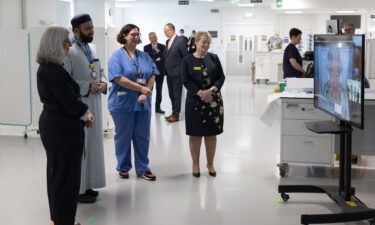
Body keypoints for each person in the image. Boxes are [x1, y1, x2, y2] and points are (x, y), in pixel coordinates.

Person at [37, 26, 94, 225]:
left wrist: (82, 112)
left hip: (58, 126)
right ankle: (63, 221)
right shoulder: (52, 71)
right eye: (66, 42)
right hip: (61, 129)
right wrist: (85, 114)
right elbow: (69, 101)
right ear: (54, 44)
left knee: (59, 175)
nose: (70, 45)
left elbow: (68, 99)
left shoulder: (50, 69)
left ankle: (60, 220)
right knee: (65, 178)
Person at [63, 13, 106, 204]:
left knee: (93, 145)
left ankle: (89, 184)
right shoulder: (68, 51)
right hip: (79, 105)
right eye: (87, 28)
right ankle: (78, 189)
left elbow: (100, 70)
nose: (92, 30)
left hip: (95, 103)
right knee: (81, 148)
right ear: (76, 30)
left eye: (92, 26)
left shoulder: (93, 48)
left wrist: (103, 83)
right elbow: (65, 80)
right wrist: (87, 86)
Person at [108, 24, 158, 181]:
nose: (136, 37)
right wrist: (141, 89)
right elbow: (119, 78)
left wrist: (147, 91)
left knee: (142, 136)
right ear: (124, 36)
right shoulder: (116, 57)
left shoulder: (144, 56)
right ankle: (123, 167)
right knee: (123, 136)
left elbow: (152, 75)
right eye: (132, 34)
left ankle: (143, 168)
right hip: (122, 103)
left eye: (137, 34)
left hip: (142, 103)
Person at [181, 31, 225, 177]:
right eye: (203, 42)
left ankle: (210, 163)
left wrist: (212, 89)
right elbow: (186, 80)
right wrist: (200, 92)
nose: (205, 45)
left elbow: (221, 77)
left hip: (213, 101)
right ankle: (195, 164)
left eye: (208, 43)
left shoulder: (214, 58)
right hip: (195, 101)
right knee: (195, 134)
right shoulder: (187, 60)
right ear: (196, 42)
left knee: (211, 134)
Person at [163, 23, 189, 122]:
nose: (165, 33)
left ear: (172, 30)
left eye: (166, 31)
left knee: (177, 94)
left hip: (177, 73)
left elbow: (185, 57)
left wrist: (183, 71)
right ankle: (173, 112)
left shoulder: (180, 40)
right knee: (171, 94)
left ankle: (176, 115)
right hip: (169, 73)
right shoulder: (168, 41)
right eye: (164, 32)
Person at [144, 32, 166, 114]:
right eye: (151, 38)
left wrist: (156, 50)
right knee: (149, 90)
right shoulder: (146, 47)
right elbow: (147, 59)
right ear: (149, 39)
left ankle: (158, 108)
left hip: (160, 72)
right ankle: (148, 107)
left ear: (156, 37)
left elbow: (163, 57)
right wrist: (157, 59)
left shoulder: (162, 47)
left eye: (154, 37)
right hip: (151, 73)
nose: (153, 39)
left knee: (159, 91)